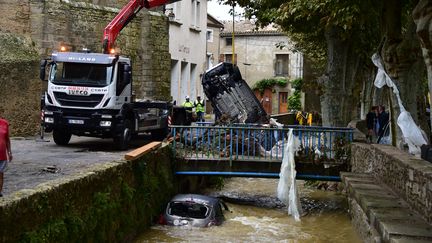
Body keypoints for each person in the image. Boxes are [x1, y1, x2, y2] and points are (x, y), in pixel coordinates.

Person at [0, 110, 12, 197]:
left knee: (1, 174)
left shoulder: (5, 123)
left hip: (2, 155)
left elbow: (7, 139)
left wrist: (9, 152)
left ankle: (0, 192)